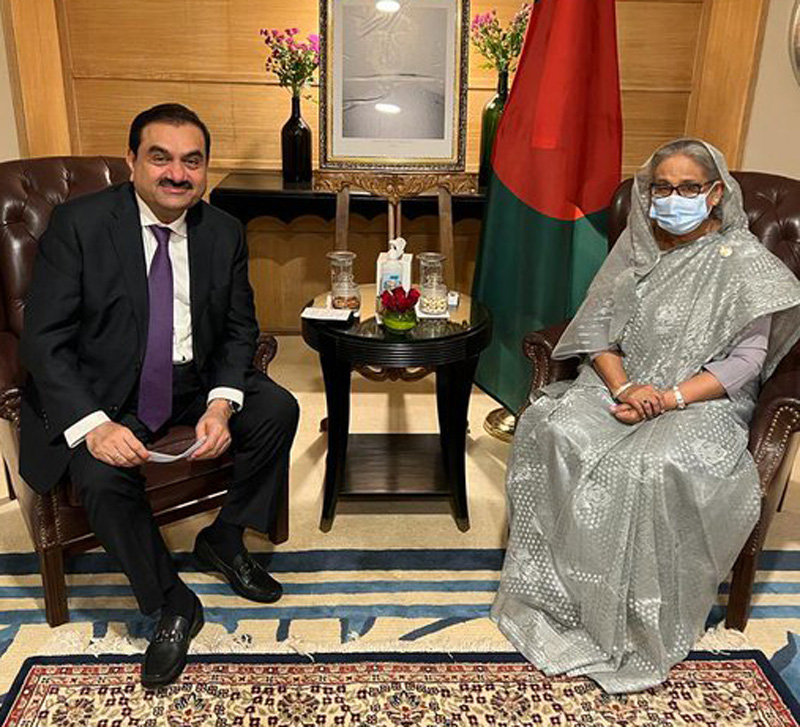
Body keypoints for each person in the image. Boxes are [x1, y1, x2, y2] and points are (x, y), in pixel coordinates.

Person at [491, 138, 800, 693]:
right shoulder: (637, 253)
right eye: (663, 188)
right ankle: (561, 595)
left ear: (714, 194)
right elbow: (597, 335)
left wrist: (670, 397)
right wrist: (628, 386)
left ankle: (636, 617)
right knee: (553, 428)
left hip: (704, 398)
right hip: (622, 383)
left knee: (653, 466)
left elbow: (746, 362)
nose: (673, 199)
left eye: (688, 188)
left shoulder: (746, 265)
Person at [19, 103, 300, 689]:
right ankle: (172, 601)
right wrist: (94, 424)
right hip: (107, 392)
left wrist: (221, 402)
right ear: (131, 161)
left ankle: (224, 537)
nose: (177, 174)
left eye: (192, 161)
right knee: (100, 477)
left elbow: (240, 329)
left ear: (205, 169)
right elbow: (44, 341)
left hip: (192, 379)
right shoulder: (79, 225)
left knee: (278, 408)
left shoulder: (223, 231)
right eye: (160, 158)